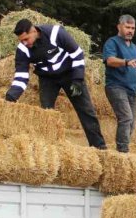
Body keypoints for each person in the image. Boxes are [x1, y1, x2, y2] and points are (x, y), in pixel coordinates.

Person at [6, 18, 106, 149]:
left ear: (34, 31)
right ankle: (50, 148)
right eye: (21, 41)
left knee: (86, 110)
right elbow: (21, 75)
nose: (24, 43)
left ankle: (100, 148)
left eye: (26, 39)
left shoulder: (55, 33)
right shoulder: (23, 49)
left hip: (70, 74)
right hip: (48, 79)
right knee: (46, 114)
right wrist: (12, 96)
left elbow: (77, 54)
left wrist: (77, 79)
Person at [102, 15, 136, 152]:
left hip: (132, 90)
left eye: (133, 28)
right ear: (119, 27)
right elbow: (110, 60)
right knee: (126, 118)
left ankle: (121, 149)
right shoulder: (112, 42)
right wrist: (125, 62)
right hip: (116, 87)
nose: (130, 30)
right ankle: (123, 152)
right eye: (127, 27)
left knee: (131, 123)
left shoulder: (135, 48)